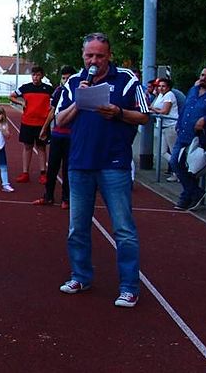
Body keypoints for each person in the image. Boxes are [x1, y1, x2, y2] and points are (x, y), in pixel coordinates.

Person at [54, 32, 149, 308]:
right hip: (80, 163)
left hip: (114, 164)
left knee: (123, 229)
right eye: (89, 55)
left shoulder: (127, 79)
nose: (94, 61)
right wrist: (80, 100)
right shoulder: (74, 81)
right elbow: (59, 120)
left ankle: (129, 286)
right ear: (83, 56)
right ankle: (80, 276)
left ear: (109, 56)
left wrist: (118, 112)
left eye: (99, 56)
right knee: (77, 227)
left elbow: (144, 116)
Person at [171, 66, 206, 210]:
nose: (203, 78)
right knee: (175, 163)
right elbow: (185, 108)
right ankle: (195, 192)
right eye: (202, 75)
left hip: (199, 137)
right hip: (183, 133)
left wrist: (205, 118)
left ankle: (187, 196)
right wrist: (179, 124)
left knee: (192, 167)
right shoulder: (193, 90)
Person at [34, 65, 77, 208]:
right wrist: (44, 129)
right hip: (57, 135)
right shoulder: (59, 91)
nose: (65, 81)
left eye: (68, 78)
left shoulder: (78, 92)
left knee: (67, 168)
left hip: (72, 136)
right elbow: (52, 111)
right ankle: (48, 196)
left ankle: (66, 198)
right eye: (63, 78)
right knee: (52, 166)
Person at [10, 66, 53, 184]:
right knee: (27, 147)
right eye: (33, 75)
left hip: (42, 124)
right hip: (27, 122)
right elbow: (12, 96)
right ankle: (25, 173)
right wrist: (21, 103)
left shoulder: (48, 89)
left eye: (38, 75)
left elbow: (56, 101)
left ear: (42, 76)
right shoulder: (25, 88)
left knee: (41, 148)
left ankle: (43, 173)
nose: (35, 77)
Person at [150, 78, 179, 178]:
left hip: (171, 126)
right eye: (159, 86)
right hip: (162, 126)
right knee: (163, 152)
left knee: (173, 151)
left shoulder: (169, 95)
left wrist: (153, 109)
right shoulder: (160, 95)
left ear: (168, 87)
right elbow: (156, 107)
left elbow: (165, 111)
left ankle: (179, 171)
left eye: (163, 86)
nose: (161, 88)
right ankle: (179, 169)